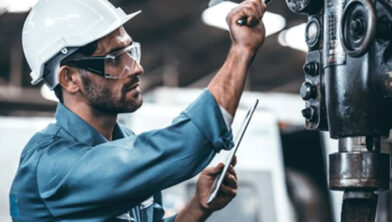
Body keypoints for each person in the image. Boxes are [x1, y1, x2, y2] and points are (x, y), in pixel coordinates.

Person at [9, 0, 266, 221]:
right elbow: (185, 144)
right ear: (69, 79)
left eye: (130, 52)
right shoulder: (51, 166)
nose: (135, 68)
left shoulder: (126, 141)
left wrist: (198, 206)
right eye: (114, 59)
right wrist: (241, 51)